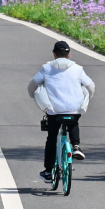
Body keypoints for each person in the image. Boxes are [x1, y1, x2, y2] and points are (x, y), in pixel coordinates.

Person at [28, 40, 95, 183]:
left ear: (54, 54)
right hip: (74, 109)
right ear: (69, 55)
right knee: (74, 122)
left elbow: (32, 85)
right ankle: (76, 146)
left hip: (54, 111)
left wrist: (33, 96)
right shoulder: (77, 68)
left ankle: (48, 171)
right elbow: (90, 86)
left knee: (52, 138)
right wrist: (88, 97)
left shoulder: (46, 68)